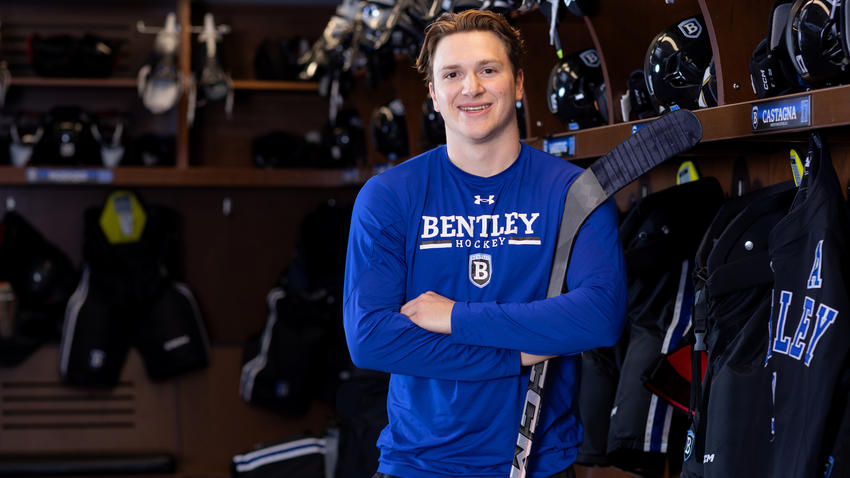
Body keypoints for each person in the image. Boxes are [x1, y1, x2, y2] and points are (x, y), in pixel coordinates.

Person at [343, 9, 627, 478]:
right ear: (433, 94)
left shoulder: (575, 193)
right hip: (417, 465)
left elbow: (599, 317)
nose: (470, 88)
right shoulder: (390, 197)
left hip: (539, 463)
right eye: (452, 74)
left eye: (487, 70)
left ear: (518, 83)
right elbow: (372, 340)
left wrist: (454, 316)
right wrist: (519, 353)